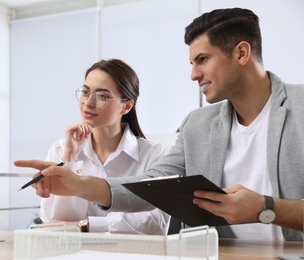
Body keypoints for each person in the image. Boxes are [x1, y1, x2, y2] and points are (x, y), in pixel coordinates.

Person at [15, 8, 304, 241]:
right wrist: (79, 184)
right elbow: (149, 186)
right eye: (191, 62)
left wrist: (267, 209)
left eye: (202, 60)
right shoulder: (197, 124)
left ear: (241, 53)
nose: (193, 74)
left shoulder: (299, 108)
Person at [25, 59, 170, 234]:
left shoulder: (153, 155)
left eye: (102, 96)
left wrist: (87, 225)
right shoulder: (61, 149)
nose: (88, 103)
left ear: (126, 106)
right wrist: (70, 158)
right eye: (86, 92)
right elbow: (54, 222)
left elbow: (156, 222)